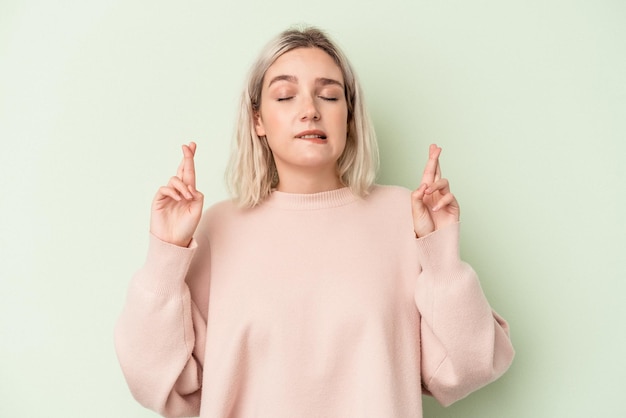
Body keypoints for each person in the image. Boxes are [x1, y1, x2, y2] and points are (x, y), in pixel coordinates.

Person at [115, 26, 514, 418]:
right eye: (286, 96)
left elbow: (470, 366)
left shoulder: (404, 216)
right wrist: (165, 256)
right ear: (258, 121)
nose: (310, 109)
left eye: (329, 95)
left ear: (349, 117)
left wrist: (441, 254)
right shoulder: (217, 228)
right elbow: (156, 383)